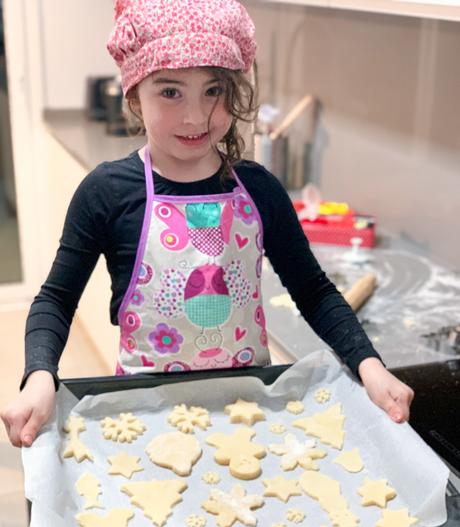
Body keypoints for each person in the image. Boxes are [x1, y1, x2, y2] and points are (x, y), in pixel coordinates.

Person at [0, 0, 413, 448]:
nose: (196, 117)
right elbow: (56, 300)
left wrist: (369, 366)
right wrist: (40, 376)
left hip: (248, 410)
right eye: (171, 91)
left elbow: (314, 292)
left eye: (213, 90)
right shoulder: (107, 192)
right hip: (143, 413)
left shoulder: (258, 190)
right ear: (135, 93)